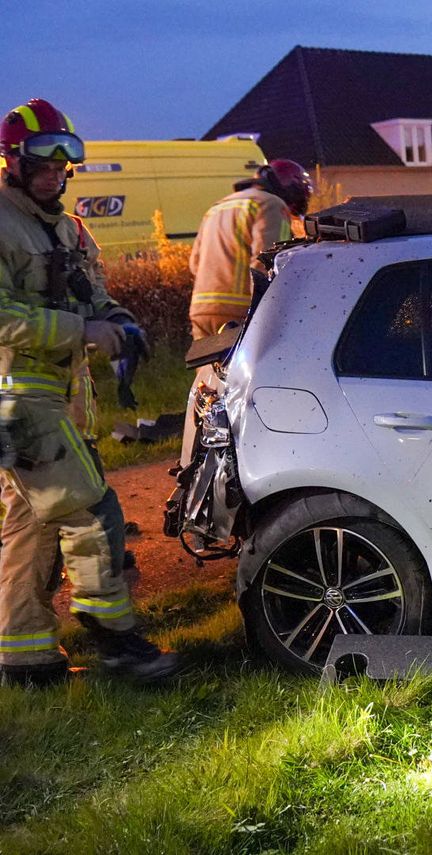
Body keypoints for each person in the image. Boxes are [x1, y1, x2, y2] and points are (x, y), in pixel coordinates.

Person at [0, 98, 179, 686]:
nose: (55, 174)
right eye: (43, 164)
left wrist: (123, 323)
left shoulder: (69, 229)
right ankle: (117, 641)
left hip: (60, 396)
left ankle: (25, 663)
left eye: (63, 163)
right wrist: (84, 331)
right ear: (13, 162)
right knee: (90, 507)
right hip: (16, 397)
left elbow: (94, 296)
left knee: (32, 529)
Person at [187, 159, 313, 340]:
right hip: (239, 311)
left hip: (201, 310)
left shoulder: (217, 207)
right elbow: (268, 261)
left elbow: (194, 264)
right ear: (290, 191)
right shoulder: (271, 204)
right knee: (252, 368)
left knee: (208, 368)